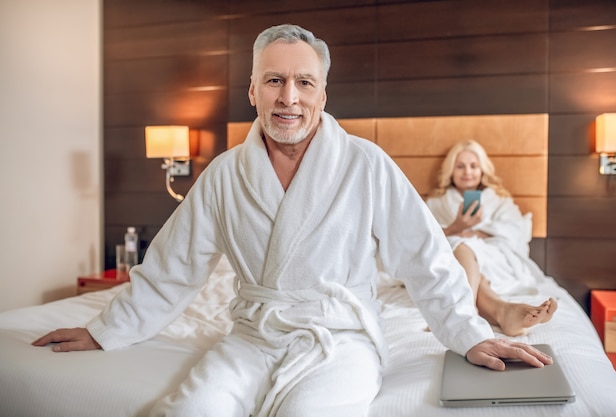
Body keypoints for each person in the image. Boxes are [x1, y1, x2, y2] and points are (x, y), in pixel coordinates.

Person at [32, 24, 552, 417]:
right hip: (250, 337)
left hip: (341, 338)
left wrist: (465, 332)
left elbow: (426, 259)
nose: (289, 97)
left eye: (305, 82)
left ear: (323, 94)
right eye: (274, 80)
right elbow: (173, 267)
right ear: (252, 91)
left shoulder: (365, 164)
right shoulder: (224, 175)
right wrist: (107, 330)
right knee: (189, 410)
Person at [426, 139, 558, 337]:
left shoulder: (498, 199)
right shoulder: (437, 202)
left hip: (494, 256)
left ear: (482, 170)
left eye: (473, 166)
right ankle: (504, 311)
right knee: (462, 249)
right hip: (452, 258)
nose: (467, 172)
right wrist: (456, 228)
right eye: (460, 166)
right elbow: (423, 239)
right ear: (450, 170)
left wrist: (477, 233)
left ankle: (464, 309)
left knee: (466, 247)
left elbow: (514, 233)